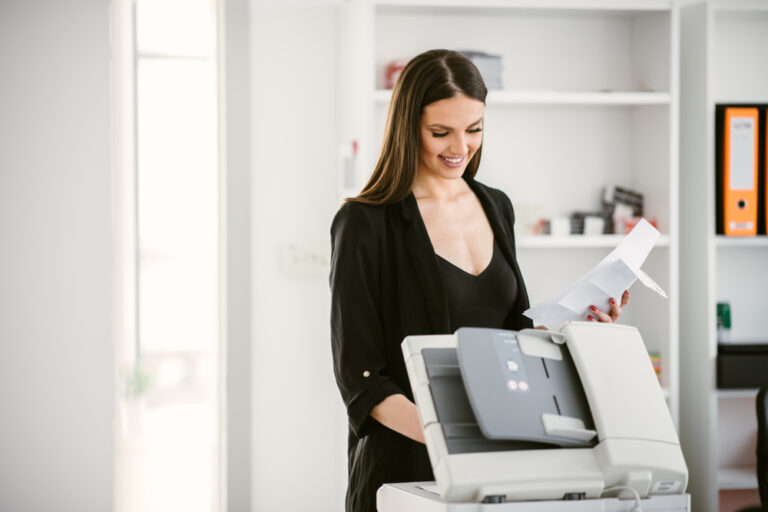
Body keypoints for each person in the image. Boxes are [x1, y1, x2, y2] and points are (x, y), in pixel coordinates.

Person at [329, 49, 629, 512]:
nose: (459, 147)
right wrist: (449, 441)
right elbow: (361, 379)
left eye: (474, 129)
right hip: (407, 465)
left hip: (500, 460)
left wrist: (583, 327)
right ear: (408, 126)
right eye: (440, 132)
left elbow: (516, 338)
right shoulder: (365, 222)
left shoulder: (496, 206)